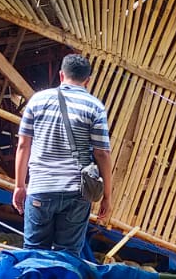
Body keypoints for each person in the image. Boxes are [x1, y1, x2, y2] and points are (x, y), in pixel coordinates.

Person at [13, 53, 115, 257]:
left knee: (33, 253)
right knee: (67, 255)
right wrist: (107, 196)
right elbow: (102, 153)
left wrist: (19, 185)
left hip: (41, 188)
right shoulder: (94, 107)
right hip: (76, 193)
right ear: (87, 80)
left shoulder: (37, 100)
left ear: (61, 75)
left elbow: (23, 145)